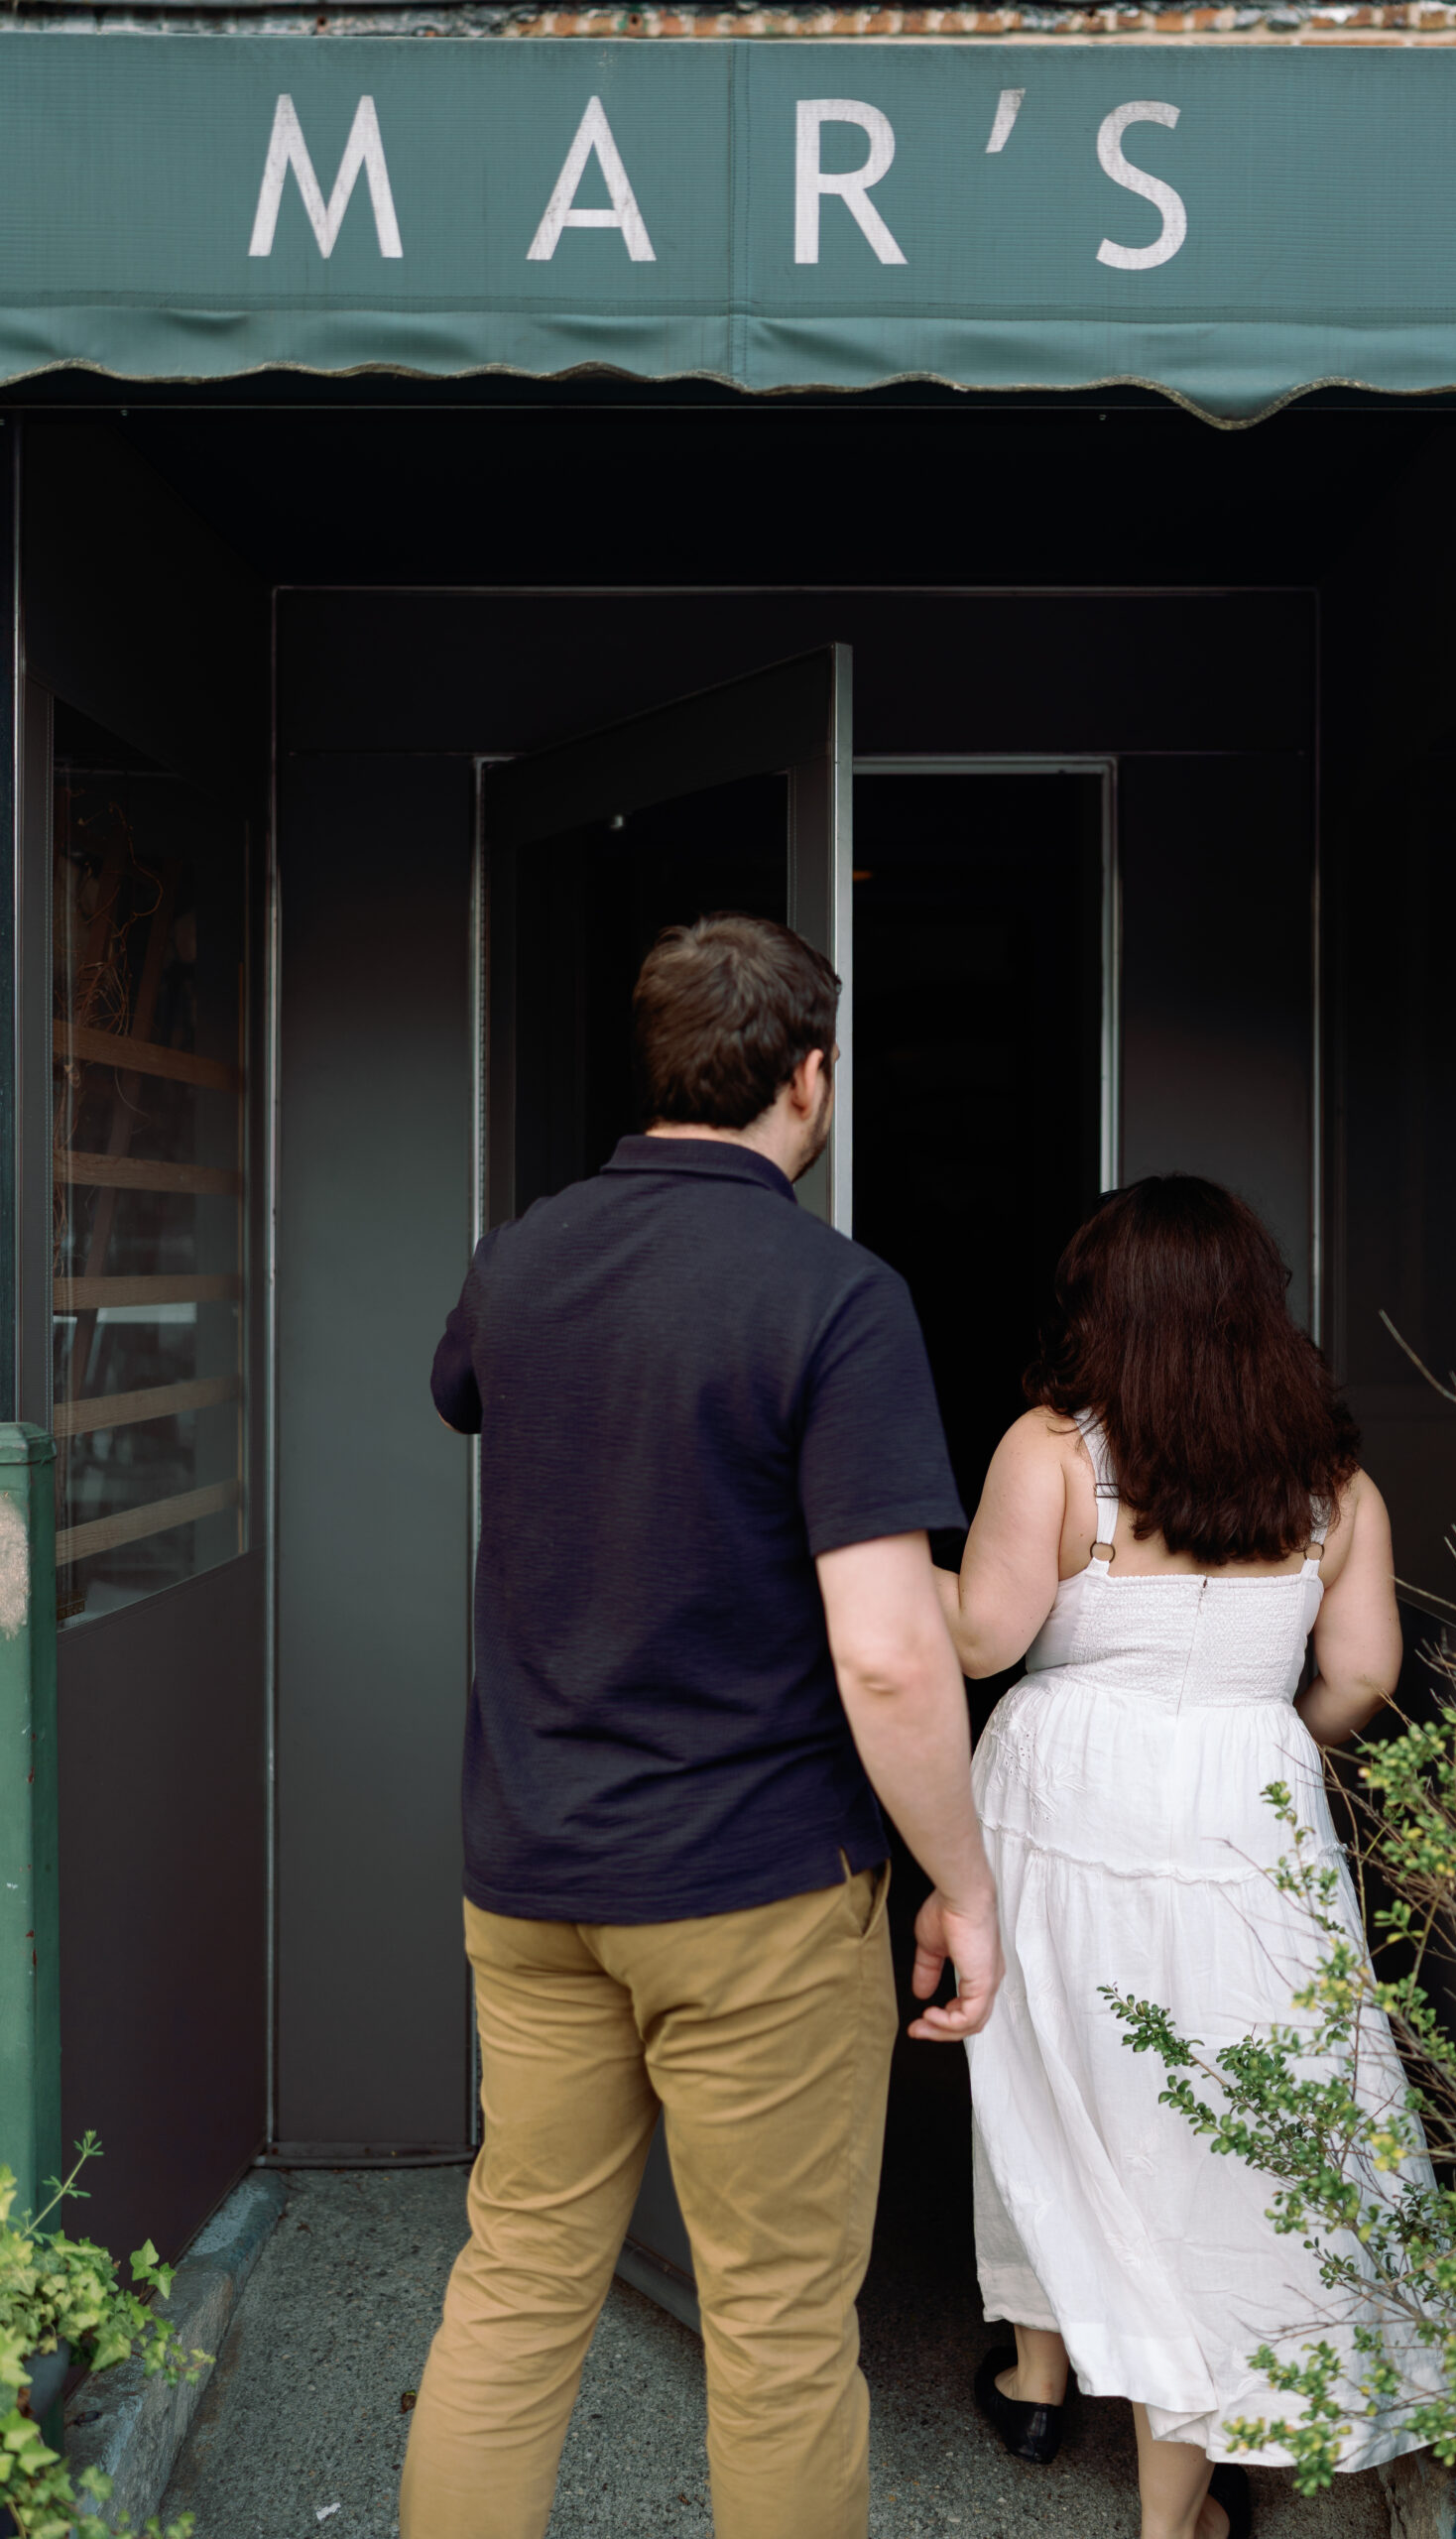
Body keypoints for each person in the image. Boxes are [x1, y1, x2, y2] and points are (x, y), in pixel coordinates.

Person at [402, 912, 1002, 2539]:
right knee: (781, 2332)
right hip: (757, 1893)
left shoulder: (522, 1259)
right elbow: (890, 1654)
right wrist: (962, 1883)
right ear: (812, 1078)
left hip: (535, 1878)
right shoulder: (837, 1296)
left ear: (659, 1066)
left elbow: (463, 1394)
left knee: (520, 2278)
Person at [934, 1175, 1443, 2539]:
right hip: (1246, 1803)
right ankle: (1174, 2514)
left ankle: (1039, 2380)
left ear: (1104, 1306)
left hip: (1065, 1794)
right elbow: (1365, 1672)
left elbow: (982, 1639)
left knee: (1049, 2082)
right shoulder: (1333, 1484)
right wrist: (1261, 1741)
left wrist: (881, 1576)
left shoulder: (1052, 1450)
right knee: (1207, 2136)